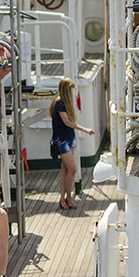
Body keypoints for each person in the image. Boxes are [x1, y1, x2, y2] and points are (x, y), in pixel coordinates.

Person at [50, 77, 95, 210]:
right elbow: (67, 122)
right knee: (73, 169)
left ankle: (63, 198)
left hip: (69, 138)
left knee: (65, 170)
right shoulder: (59, 103)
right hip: (62, 141)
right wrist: (85, 129)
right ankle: (68, 198)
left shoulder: (63, 102)